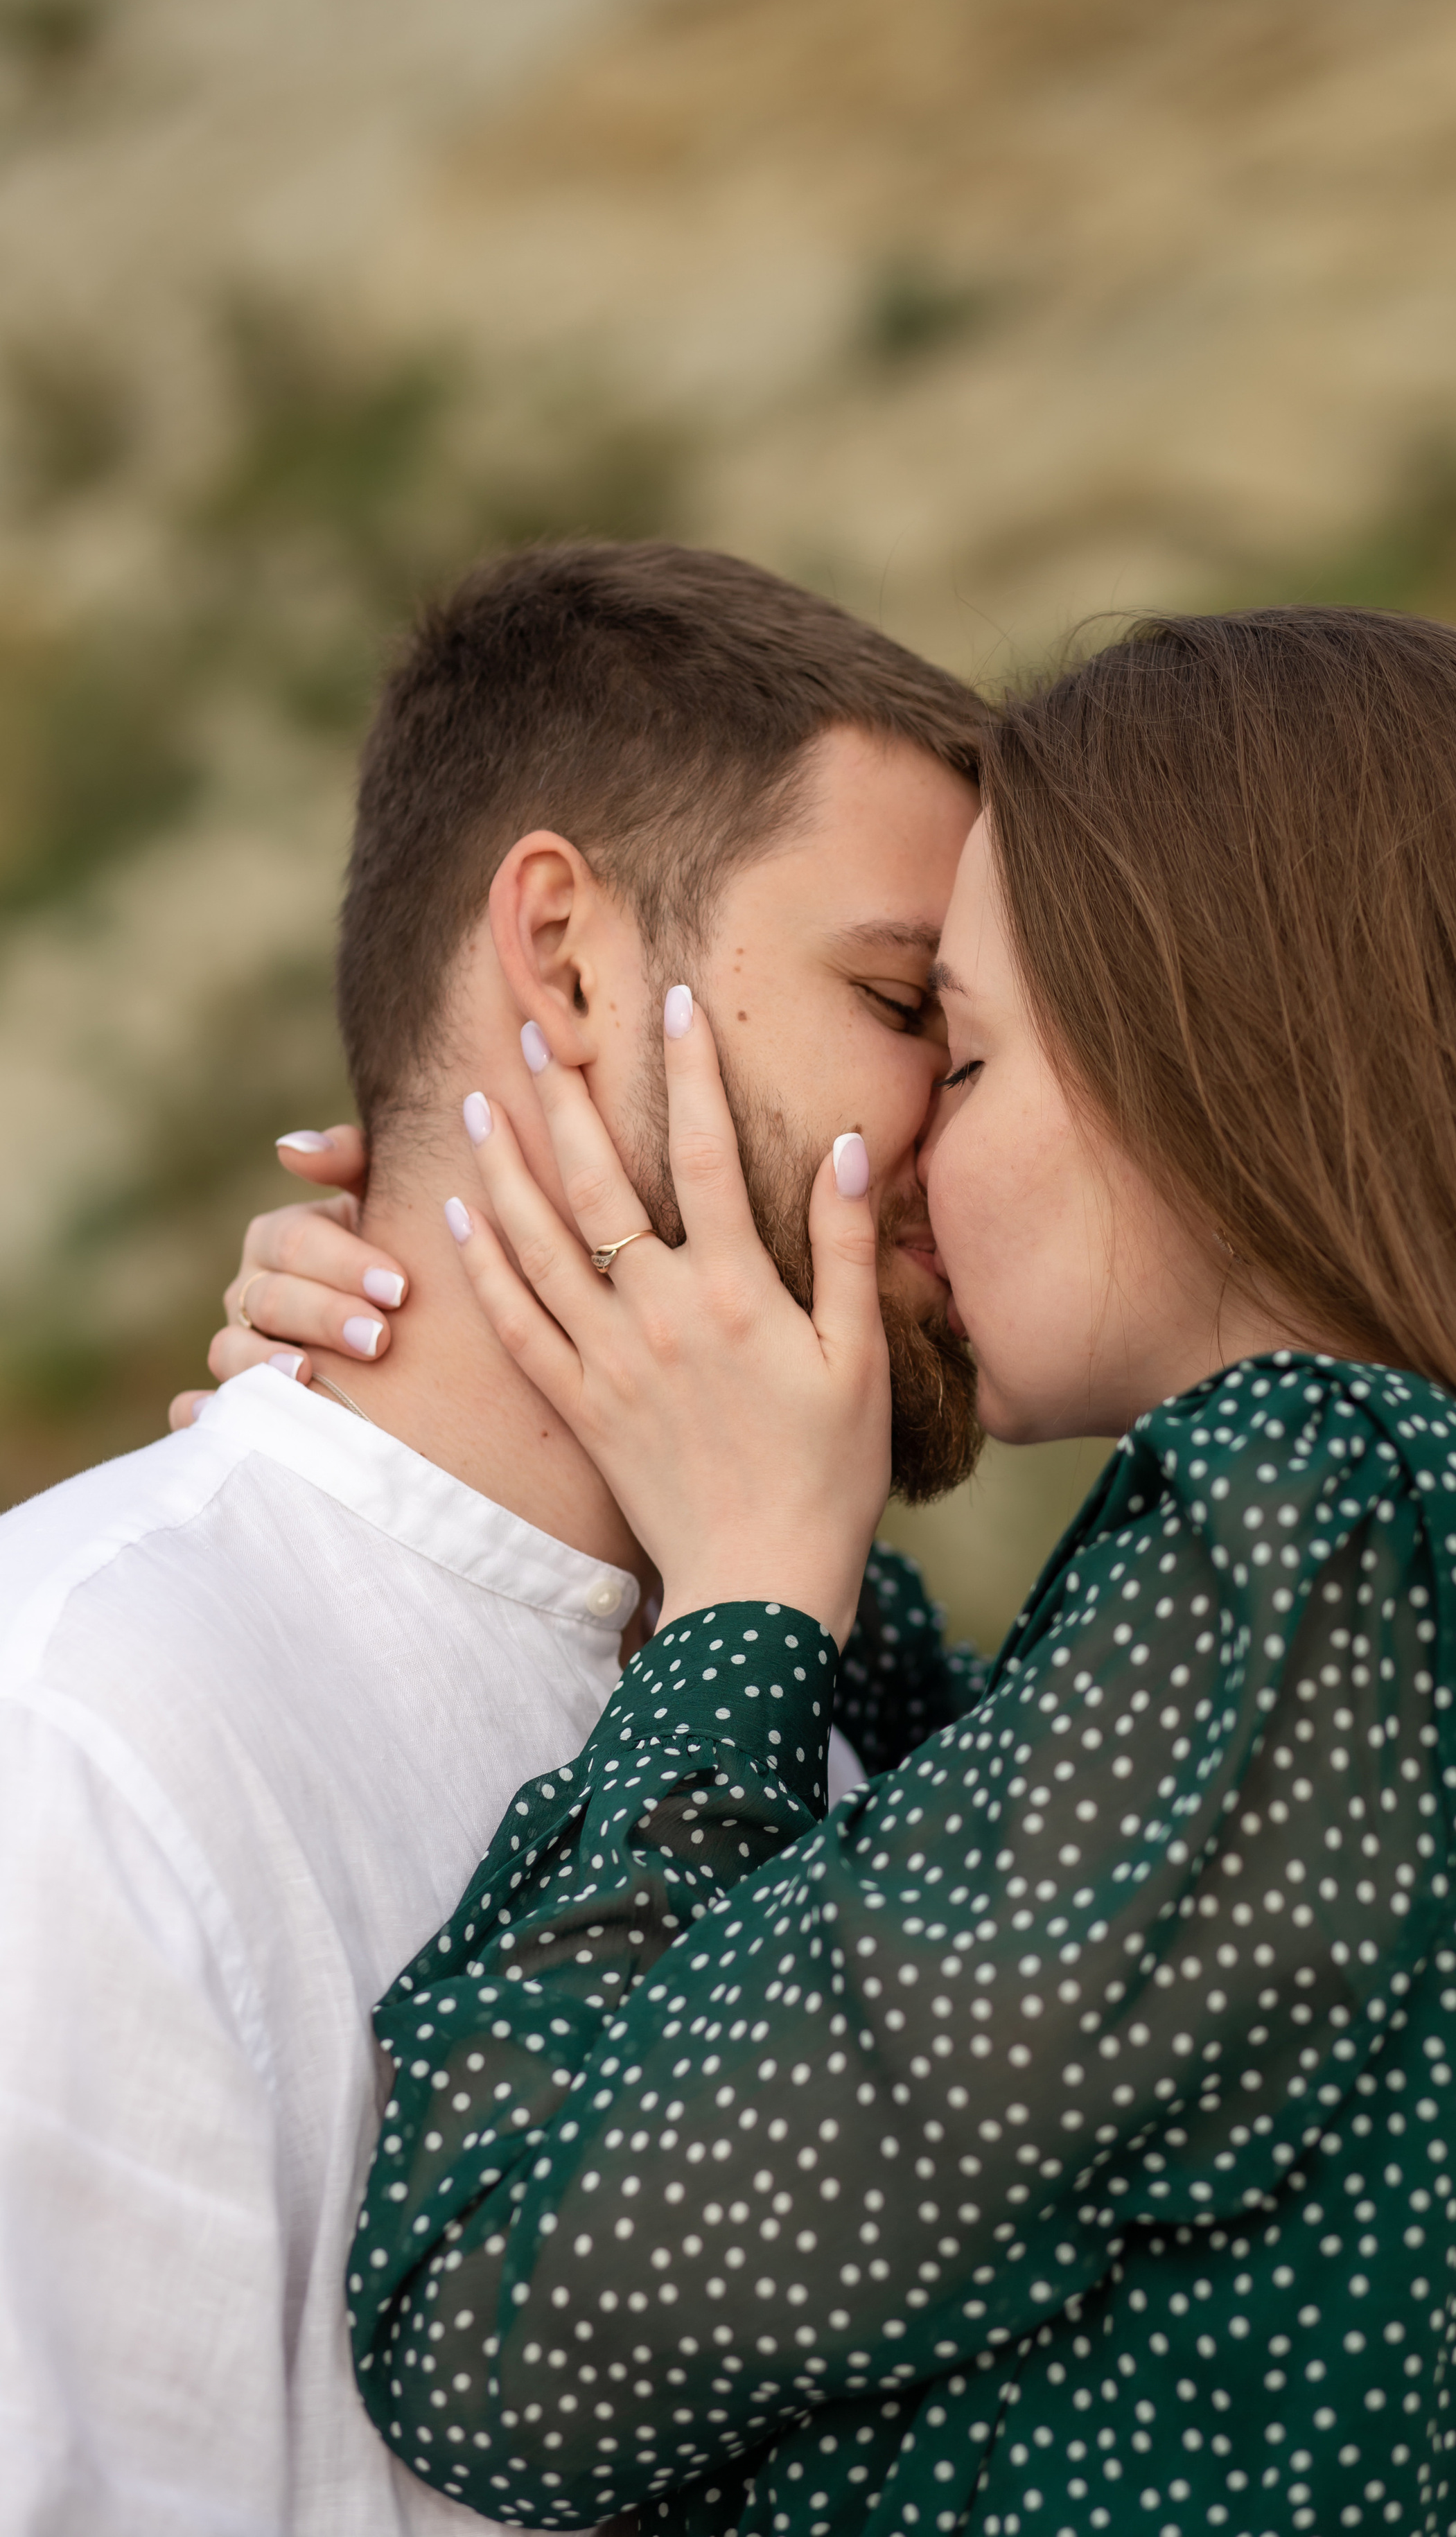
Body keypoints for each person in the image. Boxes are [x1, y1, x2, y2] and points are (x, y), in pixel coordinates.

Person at [343, 607, 1456, 2537]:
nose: (917, 1161)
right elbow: (980, 1930)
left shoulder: (1323, 1529)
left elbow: (495, 2331)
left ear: (1216, 1070)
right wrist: (532, 1378)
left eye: (972, 1055)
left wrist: (750, 1593)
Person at [0, 539, 991, 2534]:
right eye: (905, 1006)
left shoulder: (816, 1712)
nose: (976, 1133)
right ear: (565, 959)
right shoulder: (86, 1734)